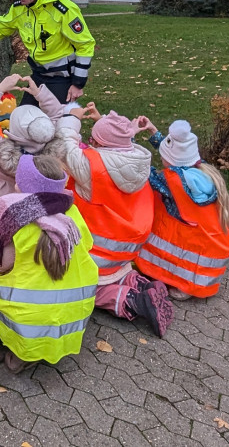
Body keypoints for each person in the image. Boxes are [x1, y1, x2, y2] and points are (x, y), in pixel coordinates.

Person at [0, 154, 98, 373]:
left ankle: (23, 351)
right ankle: (40, 344)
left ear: (20, 185)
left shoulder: (13, 218)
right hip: (75, 312)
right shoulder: (72, 212)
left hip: (32, 319)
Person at [58, 104, 174, 337]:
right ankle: (140, 283)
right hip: (125, 249)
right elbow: (117, 142)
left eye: (93, 139)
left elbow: (65, 146)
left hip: (97, 254)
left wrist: (71, 119)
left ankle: (133, 302)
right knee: (119, 272)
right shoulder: (136, 160)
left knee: (91, 290)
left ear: (101, 144)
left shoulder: (92, 168)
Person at [134, 119, 229, 299]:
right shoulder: (199, 170)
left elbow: (144, 172)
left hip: (198, 254)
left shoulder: (173, 181)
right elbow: (175, 156)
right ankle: (185, 280)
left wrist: (127, 142)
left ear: (170, 160)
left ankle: (185, 284)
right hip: (213, 244)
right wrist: (153, 132)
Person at [0, 74, 67, 200]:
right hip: (43, 207)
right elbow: (58, 114)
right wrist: (39, 94)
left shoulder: (2, 154)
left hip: (6, 210)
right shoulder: (54, 153)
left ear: (13, 132)